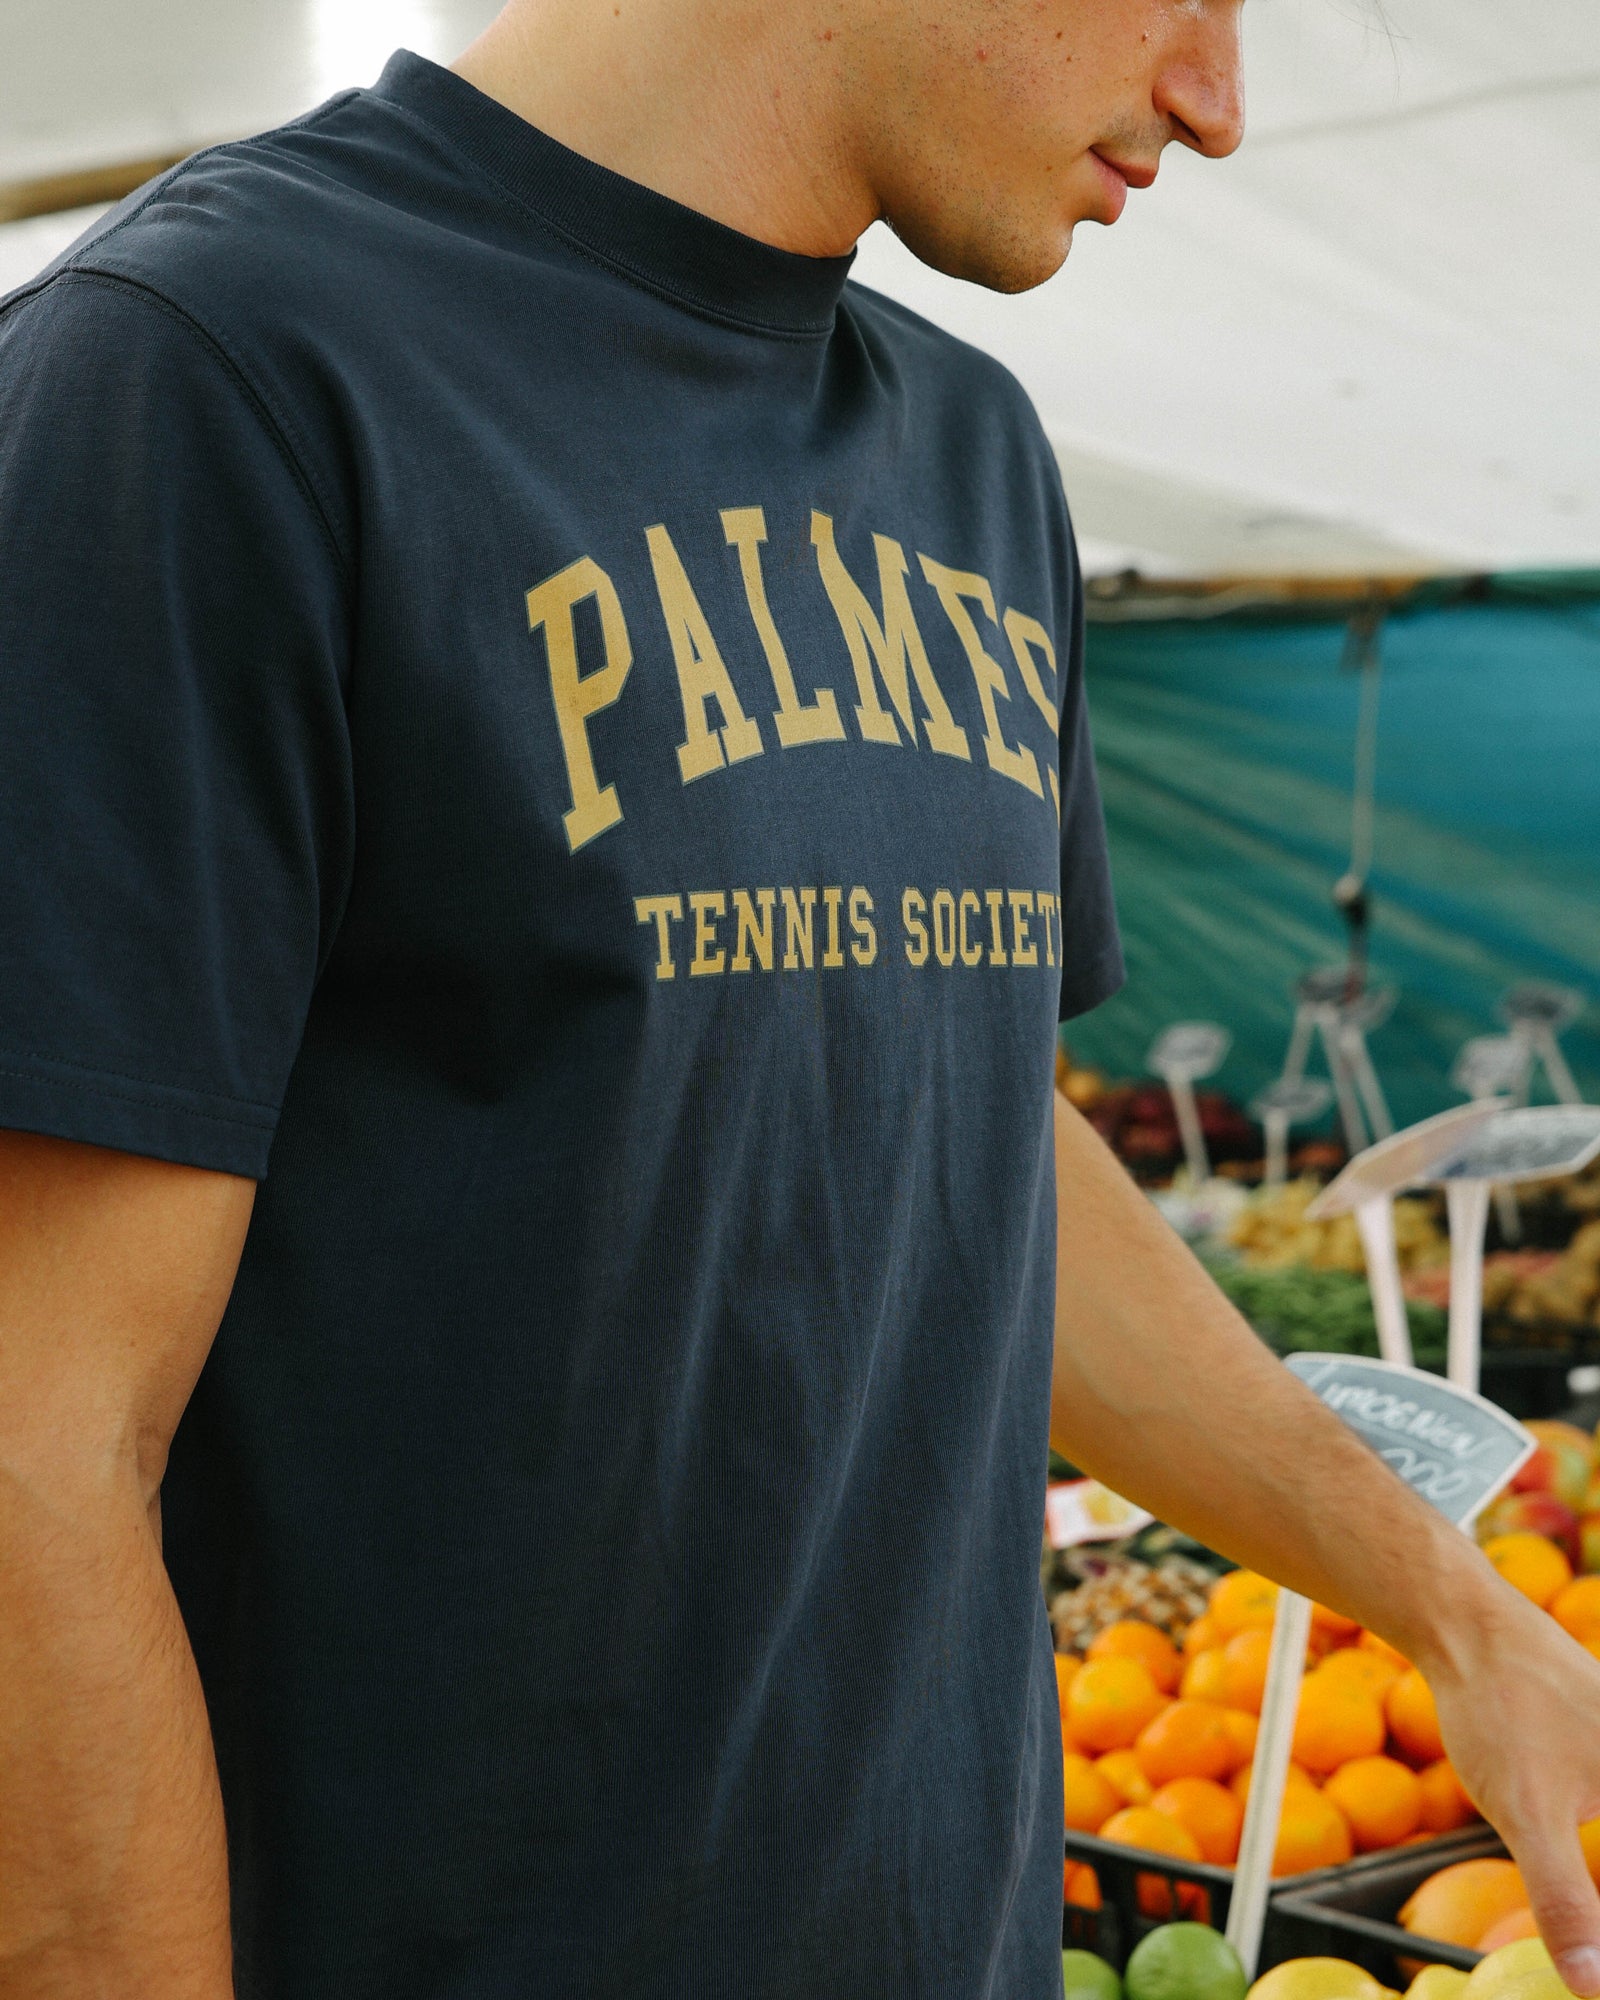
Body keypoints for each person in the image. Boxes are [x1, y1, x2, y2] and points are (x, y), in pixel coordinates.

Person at [0, 0, 1597, 1995]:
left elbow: (981, 1154)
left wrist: (1459, 1613)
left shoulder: (971, 453)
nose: (1217, 104)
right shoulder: (209, 377)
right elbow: (37, 1456)